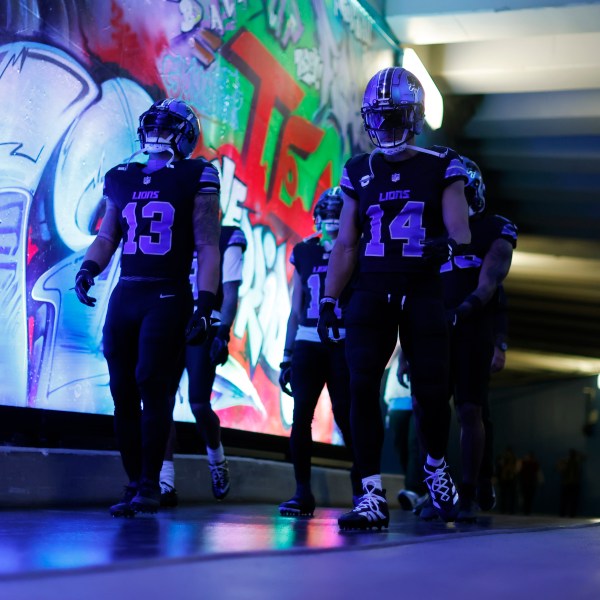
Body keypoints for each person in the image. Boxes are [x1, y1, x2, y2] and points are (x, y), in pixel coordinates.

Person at [317, 66, 471, 530]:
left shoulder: (442, 163)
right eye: (377, 117)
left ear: (416, 116)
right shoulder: (357, 170)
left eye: (395, 116)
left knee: (430, 393)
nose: (384, 126)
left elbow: (460, 232)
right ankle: (369, 493)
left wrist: (443, 246)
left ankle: (436, 466)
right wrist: (329, 298)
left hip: (421, 289)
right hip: (370, 289)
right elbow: (345, 243)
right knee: (361, 387)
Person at [74, 98, 221, 517]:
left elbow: (208, 245)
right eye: (154, 125)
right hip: (128, 290)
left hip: (169, 292)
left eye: (168, 126)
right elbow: (108, 236)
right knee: (121, 390)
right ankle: (135, 481)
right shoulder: (121, 176)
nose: (158, 133)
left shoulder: (197, 173)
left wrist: (207, 304)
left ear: (186, 135)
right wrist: (89, 268)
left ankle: (151, 485)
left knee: (151, 384)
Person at [436, 155, 518, 522]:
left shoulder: (494, 229)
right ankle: (438, 490)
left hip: (472, 327)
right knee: (429, 410)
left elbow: (490, 286)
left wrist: (467, 311)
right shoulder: (433, 234)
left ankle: (470, 489)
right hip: (437, 329)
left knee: (472, 408)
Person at [278, 187, 362, 517]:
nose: (329, 224)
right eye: (326, 218)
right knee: (301, 417)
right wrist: (286, 354)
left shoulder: (358, 248)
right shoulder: (304, 251)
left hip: (343, 340)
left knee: (346, 415)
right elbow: (296, 308)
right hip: (308, 340)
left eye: (335, 217)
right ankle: (302, 491)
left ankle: (363, 487)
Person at [160, 223, 247, 507]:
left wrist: (223, 333)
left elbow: (231, 291)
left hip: (206, 321)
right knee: (161, 401)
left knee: (199, 402)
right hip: (172, 317)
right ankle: (165, 479)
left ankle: (216, 459)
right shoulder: (174, 231)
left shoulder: (226, 235)